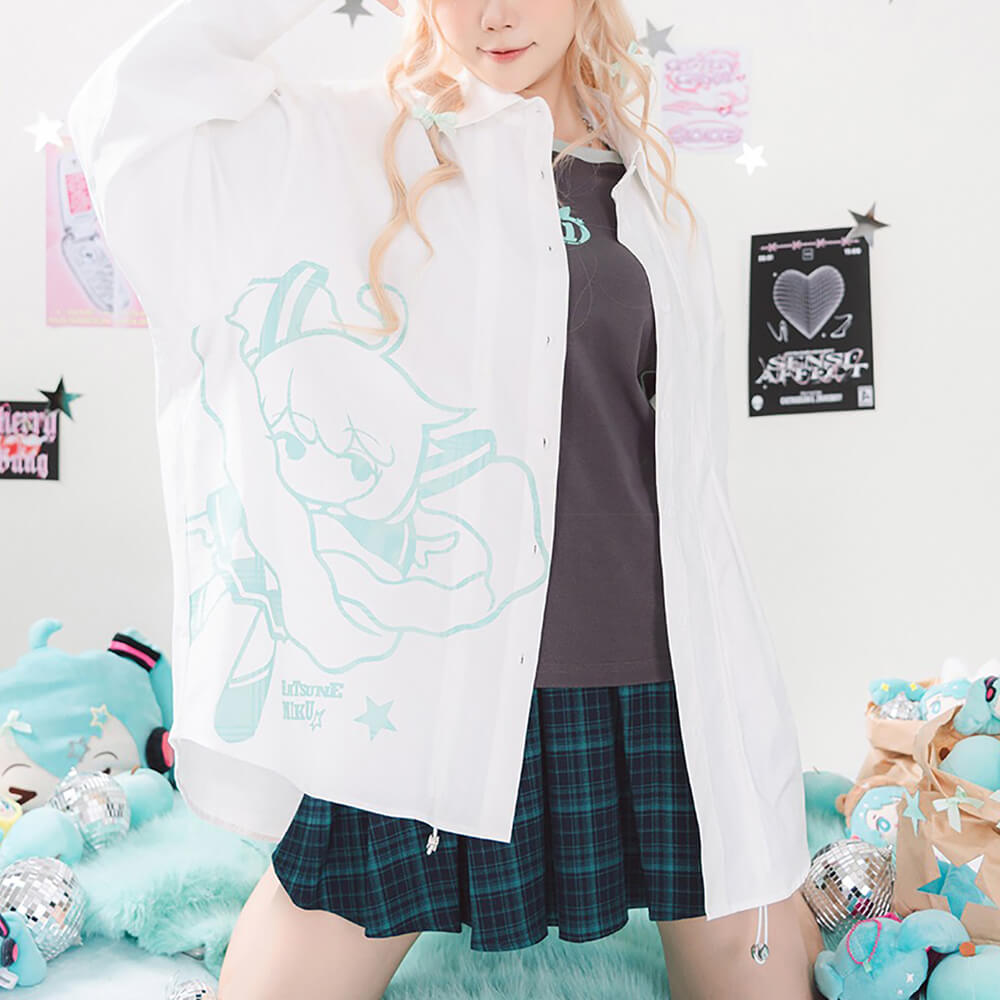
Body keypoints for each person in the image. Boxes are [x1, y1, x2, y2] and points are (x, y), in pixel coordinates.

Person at [66, 0, 824, 997]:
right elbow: (132, 108)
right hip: (441, 677)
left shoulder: (646, 186)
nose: (493, 13)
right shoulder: (359, 146)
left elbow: (681, 471)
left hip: (658, 672)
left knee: (758, 962)